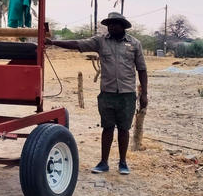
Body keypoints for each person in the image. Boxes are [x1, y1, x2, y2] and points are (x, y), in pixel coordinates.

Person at [46, 12, 148, 175]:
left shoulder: (135, 44)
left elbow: (142, 69)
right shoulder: (100, 41)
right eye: (109, 24)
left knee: (124, 129)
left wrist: (144, 94)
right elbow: (78, 44)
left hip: (127, 94)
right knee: (107, 128)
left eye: (115, 23)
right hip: (107, 93)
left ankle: (123, 162)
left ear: (123, 25)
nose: (111, 26)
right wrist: (53, 43)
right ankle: (103, 162)